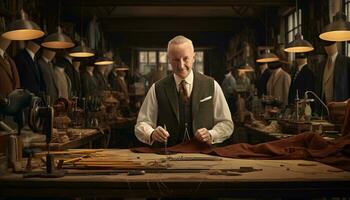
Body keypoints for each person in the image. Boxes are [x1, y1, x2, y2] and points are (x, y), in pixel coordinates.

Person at [135, 35, 233, 147]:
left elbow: (227, 124)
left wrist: (211, 134)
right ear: (169, 60)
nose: (181, 66)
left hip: (204, 156)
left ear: (194, 58)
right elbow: (141, 125)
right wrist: (151, 133)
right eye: (176, 60)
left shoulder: (212, 85)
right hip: (167, 155)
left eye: (185, 59)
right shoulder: (157, 88)